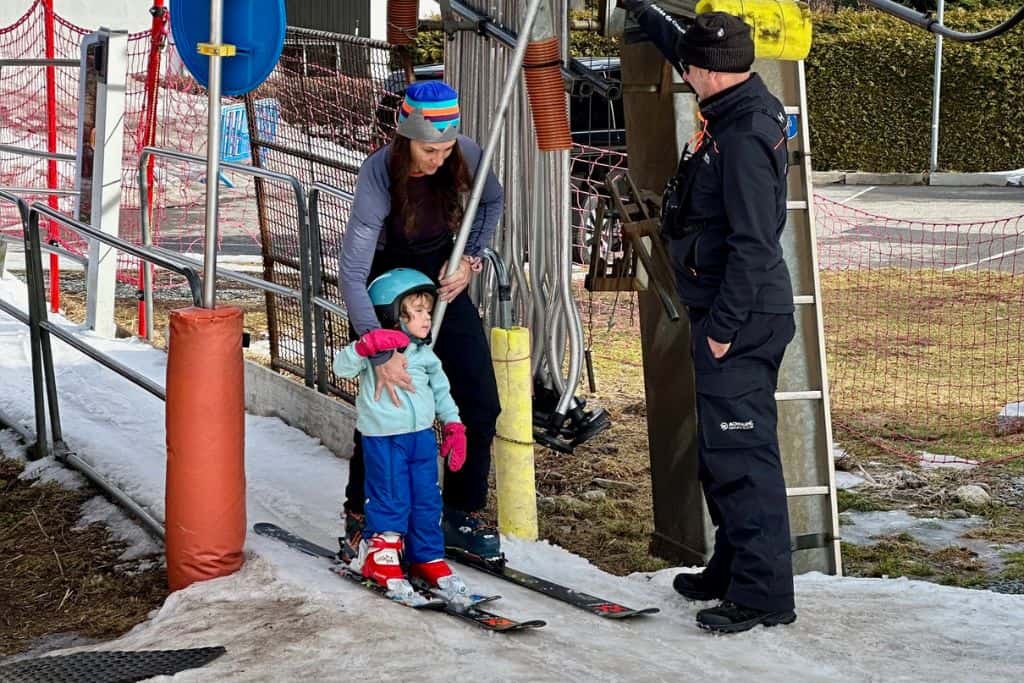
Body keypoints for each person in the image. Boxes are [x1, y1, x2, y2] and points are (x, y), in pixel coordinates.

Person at [621, 1, 798, 634]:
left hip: (740, 320)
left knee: (744, 456)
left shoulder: (745, 137)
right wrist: (642, 10)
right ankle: (730, 565)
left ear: (710, 72)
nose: (683, 74)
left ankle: (763, 593)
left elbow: (755, 244)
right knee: (722, 452)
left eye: (689, 69)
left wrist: (721, 330)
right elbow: (686, 48)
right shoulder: (733, 96)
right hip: (728, 314)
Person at [338, 80, 504, 565]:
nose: (438, 159)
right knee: (386, 406)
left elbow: (491, 202)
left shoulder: (467, 153)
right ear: (406, 138)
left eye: (446, 147)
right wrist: (380, 349)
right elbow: (350, 273)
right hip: (385, 282)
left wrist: (469, 258)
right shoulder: (379, 175)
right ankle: (362, 513)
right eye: (429, 149)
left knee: (479, 401)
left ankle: (457, 514)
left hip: (439, 275)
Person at [333, 268, 471, 604]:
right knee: (391, 498)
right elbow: (341, 367)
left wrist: (454, 426)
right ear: (392, 316)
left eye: (427, 310)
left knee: (426, 500)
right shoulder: (375, 357)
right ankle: (381, 560)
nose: (428, 317)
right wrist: (365, 346)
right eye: (418, 312)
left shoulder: (424, 355)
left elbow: (442, 392)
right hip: (384, 439)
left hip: (421, 438)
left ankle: (427, 557)